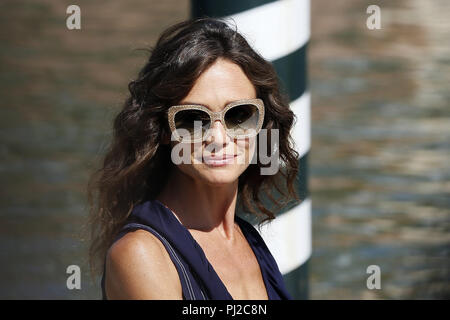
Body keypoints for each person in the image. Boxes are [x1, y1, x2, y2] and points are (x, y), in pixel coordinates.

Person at [87, 17, 300, 300]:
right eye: (192, 119)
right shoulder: (141, 256)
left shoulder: (249, 240)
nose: (218, 138)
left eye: (239, 115)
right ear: (162, 130)